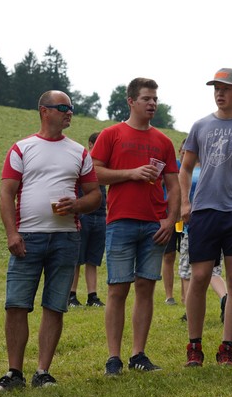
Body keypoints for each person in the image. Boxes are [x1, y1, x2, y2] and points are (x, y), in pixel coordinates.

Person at [0, 91, 101, 392]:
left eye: (71, 108)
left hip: (67, 238)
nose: (69, 112)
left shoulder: (79, 152)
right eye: (62, 107)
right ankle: (14, 373)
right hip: (27, 238)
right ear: (44, 111)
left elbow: (95, 196)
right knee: (16, 305)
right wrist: (12, 234)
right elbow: (6, 194)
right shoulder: (22, 148)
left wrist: (77, 205)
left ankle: (43, 372)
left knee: (55, 305)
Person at [90, 77, 180, 375]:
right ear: (131, 101)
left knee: (145, 288)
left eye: (155, 99)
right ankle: (113, 358)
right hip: (120, 222)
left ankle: (138, 354)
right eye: (146, 99)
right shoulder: (111, 134)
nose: (152, 103)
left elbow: (174, 185)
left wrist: (171, 220)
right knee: (117, 289)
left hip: (155, 225)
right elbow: (94, 174)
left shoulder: (163, 141)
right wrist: (130, 173)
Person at [180, 68, 232, 367]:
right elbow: (185, 168)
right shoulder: (200, 125)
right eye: (216, 89)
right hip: (205, 209)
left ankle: (227, 347)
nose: (219, 94)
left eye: (225, 88)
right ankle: (194, 345)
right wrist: (185, 202)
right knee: (199, 277)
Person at [68, 132, 107, 308]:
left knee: (93, 258)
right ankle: (71, 295)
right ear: (91, 144)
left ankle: (92, 296)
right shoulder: (83, 161)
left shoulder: (104, 165)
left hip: (100, 215)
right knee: (77, 257)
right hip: (83, 214)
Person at [160, 142, 185, 306]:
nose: (186, 154)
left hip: (185, 220)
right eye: (184, 151)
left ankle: (184, 295)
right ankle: (169, 296)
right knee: (168, 255)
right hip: (169, 217)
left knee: (185, 255)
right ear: (180, 151)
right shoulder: (173, 166)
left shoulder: (196, 168)